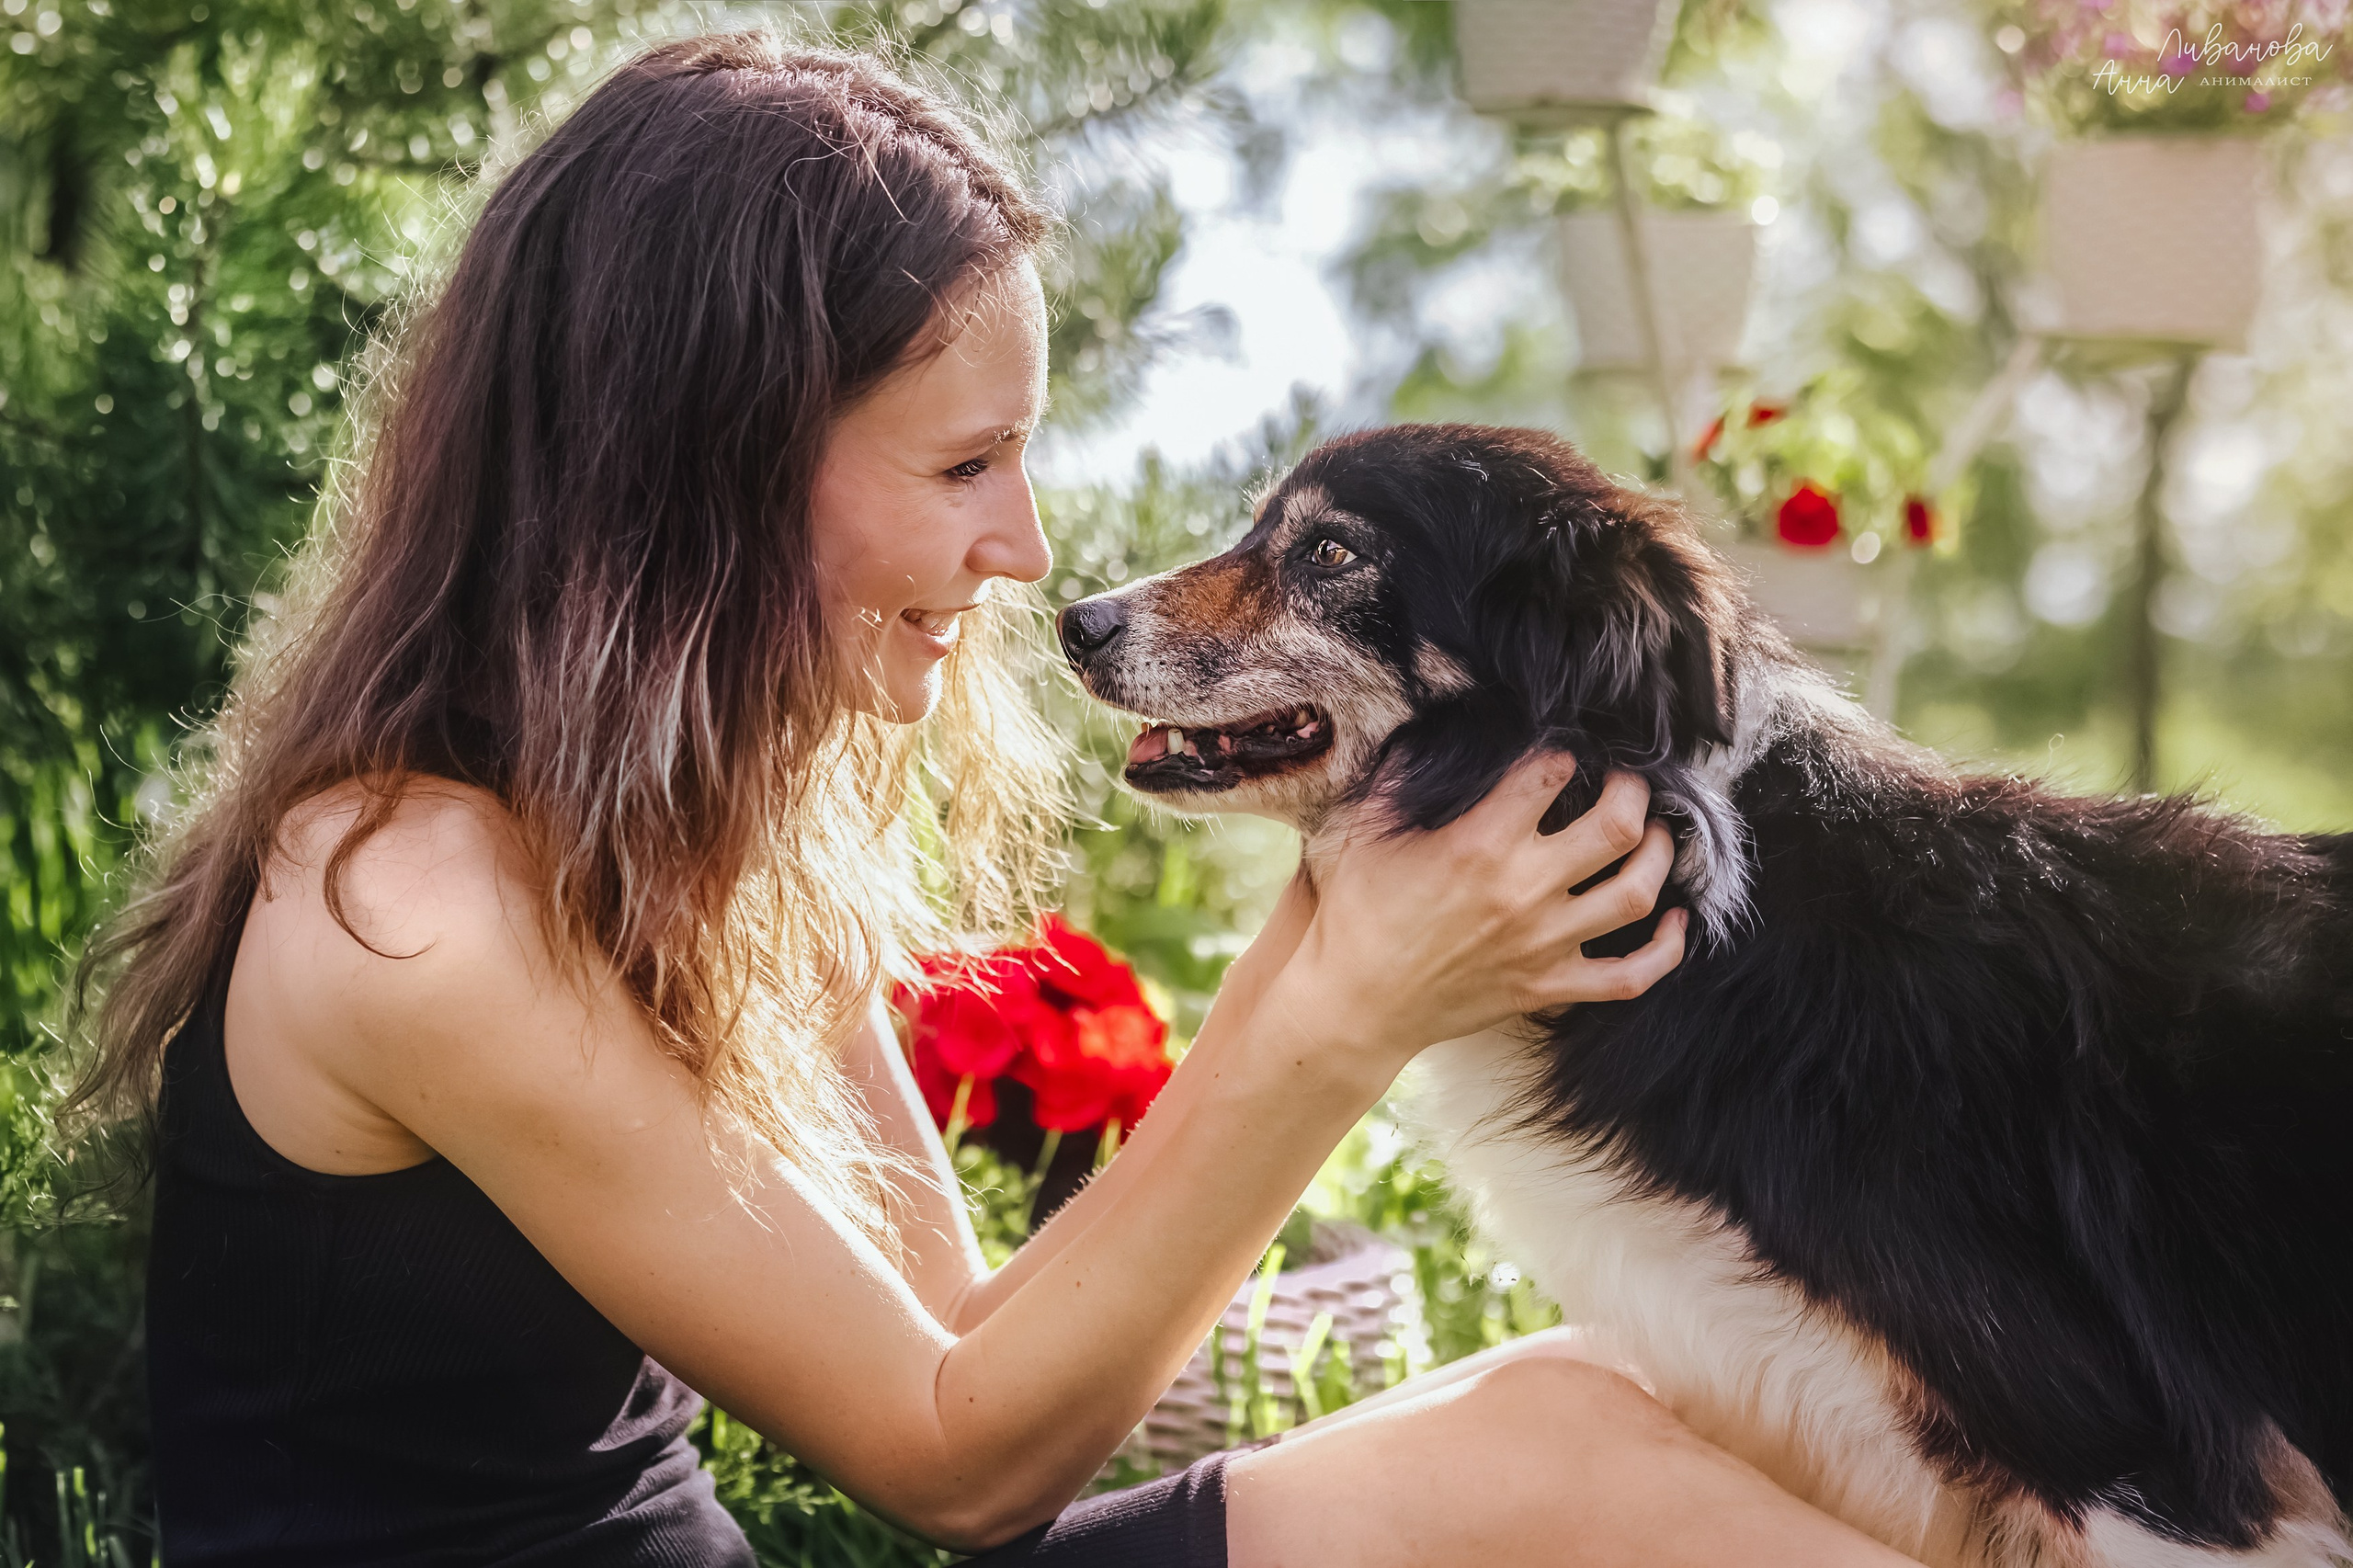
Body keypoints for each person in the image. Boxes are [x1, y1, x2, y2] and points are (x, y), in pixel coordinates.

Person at [70, 32, 1922, 1568]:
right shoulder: (414, 903)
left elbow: (963, 1336)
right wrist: (1353, 1007)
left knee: (1570, 1406)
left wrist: (1342, 897)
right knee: (1550, 1474)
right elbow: (956, 1460)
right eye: (963, 462)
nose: (1022, 546)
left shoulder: (695, 842)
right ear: (703, 472)